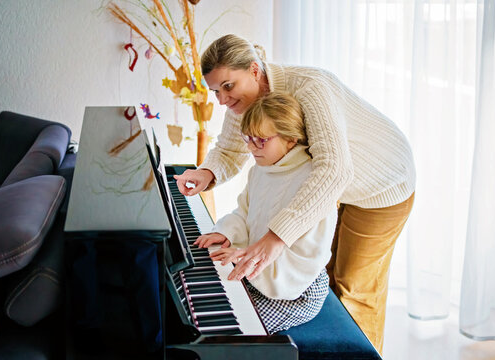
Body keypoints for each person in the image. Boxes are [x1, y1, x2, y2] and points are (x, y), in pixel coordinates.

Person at [174, 34, 415, 352]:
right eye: (215, 91)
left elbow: (334, 171)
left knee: (355, 290)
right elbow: (231, 148)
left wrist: (276, 238)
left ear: (254, 70)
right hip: (328, 184)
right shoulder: (246, 103)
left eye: (228, 87)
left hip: (382, 183)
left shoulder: (311, 87)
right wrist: (206, 173)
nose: (221, 100)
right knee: (319, 269)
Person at [194, 92, 337, 333]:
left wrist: (245, 258)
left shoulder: (313, 183)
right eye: (247, 138)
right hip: (260, 272)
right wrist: (228, 233)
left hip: (296, 289)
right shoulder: (263, 168)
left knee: (229, 332)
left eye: (260, 140)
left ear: (291, 138)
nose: (250, 148)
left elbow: (305, 255)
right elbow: (244, 212)